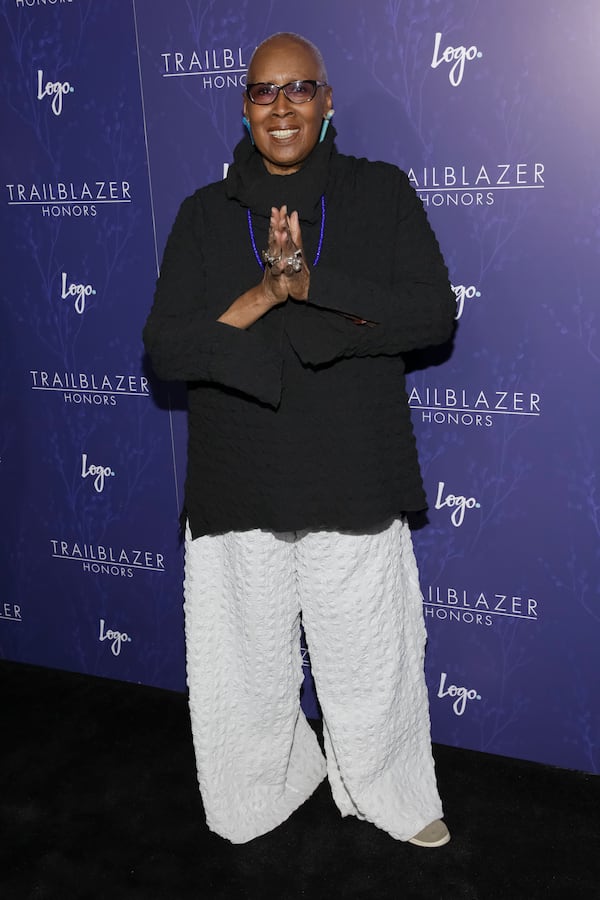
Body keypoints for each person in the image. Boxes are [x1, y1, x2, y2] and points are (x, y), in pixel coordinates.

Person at [143, 32, 456, 848]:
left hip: (351, 461)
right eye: (263, 93)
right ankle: (262, 786)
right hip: (238, 468)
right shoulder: (201, 216)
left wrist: (312, 286)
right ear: (244, 108)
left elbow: (432, 313)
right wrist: (261, 294)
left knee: (369, 650)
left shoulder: (379, 193)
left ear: (326, 102)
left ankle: (388, 787)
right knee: (242, 657)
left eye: (298, 89)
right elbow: (166, 349)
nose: (281, 106)